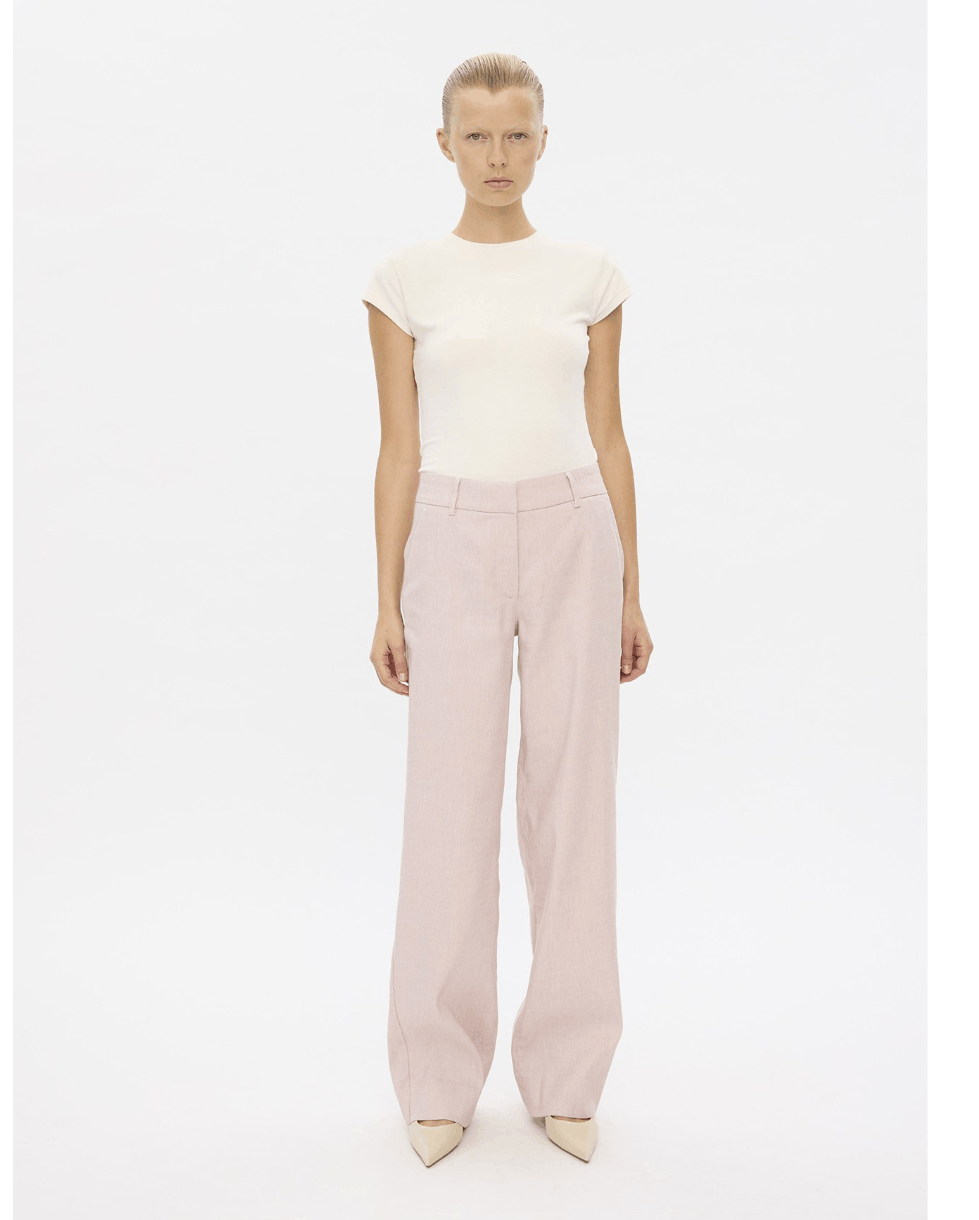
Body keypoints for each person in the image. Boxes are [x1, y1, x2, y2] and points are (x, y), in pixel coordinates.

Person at [362, 51, 653, 1168]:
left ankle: (567, 1072)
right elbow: (397, 448)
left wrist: (631, 585)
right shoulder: (404, 280)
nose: (497, 156)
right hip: (451, 535)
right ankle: (438, 1077)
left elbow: (610, 434)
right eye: (477, 136)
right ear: (444, 144)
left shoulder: (590, 275)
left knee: (573, 803)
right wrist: (385, 595)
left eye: (516, 135)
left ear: (542, 142)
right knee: (449, 804)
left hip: (575, 529)